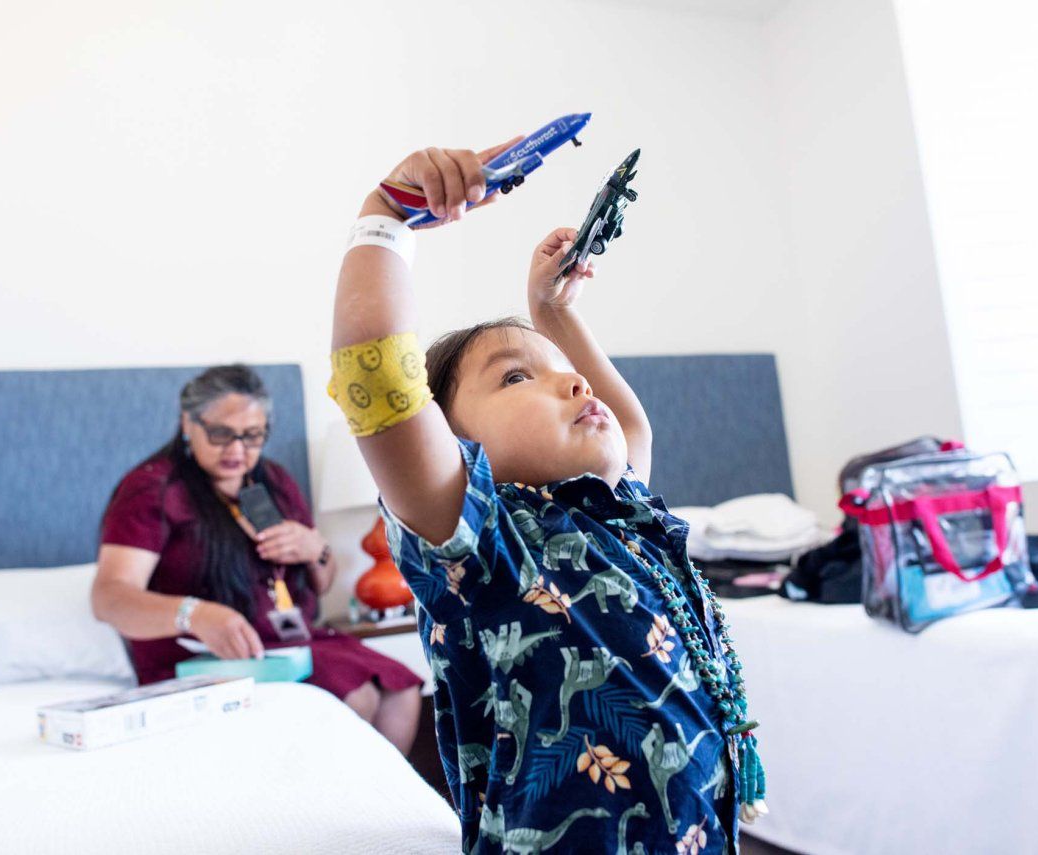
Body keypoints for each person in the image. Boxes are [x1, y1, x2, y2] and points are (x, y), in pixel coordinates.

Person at [327, 140, 767, 852]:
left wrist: (553, 312)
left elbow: (629, 430)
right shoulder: (482, 539)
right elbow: (376, 378)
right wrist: (387, 215)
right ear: (448, 441)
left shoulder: (622, 517)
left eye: (565, 370)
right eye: (514, 376)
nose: (574, 382)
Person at [91, 364, 422, 754]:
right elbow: (109, 598)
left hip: (287, 644)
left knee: (403, 689)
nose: (236, 450)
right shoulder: (152, 489)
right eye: (220, 435)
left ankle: (382, 811)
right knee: (356, 696)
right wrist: (196, 614)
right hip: (201, 657)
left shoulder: (273, 483)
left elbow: (323, 582)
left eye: (251, 436)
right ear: (187, 423)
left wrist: (316, 550)